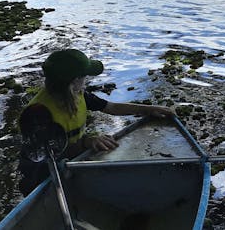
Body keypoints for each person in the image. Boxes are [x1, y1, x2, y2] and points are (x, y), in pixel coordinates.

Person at [17, 48, 174, 195]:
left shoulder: (78, 95)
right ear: (74, 81)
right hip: (42, 172)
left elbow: (111, 107)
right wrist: (87, 142)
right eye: (85, 76)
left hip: (71, 158)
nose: (87, 80)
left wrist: (148, 109)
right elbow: (48, 156)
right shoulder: (37, 114)